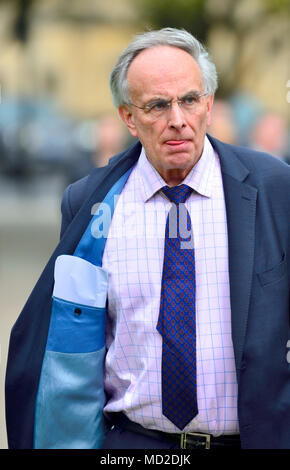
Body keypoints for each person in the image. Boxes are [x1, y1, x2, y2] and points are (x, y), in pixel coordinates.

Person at [5, 27, 290, 450]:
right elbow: (70, 343)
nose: (177, 119)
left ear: (208, 104)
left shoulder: (274, 187)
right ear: (128, 118)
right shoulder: (90, 203)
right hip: (135, 444)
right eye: (157, 105)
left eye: (189, 100)